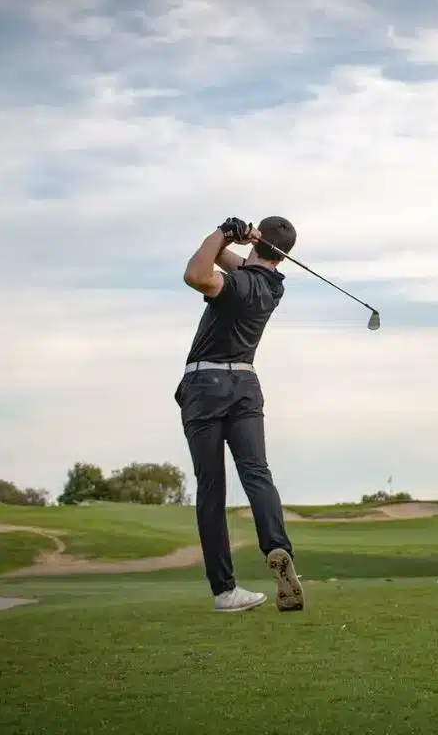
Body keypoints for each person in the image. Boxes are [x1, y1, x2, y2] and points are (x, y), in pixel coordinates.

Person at [176, 215, 305, 613]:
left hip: (206, 384)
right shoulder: (272, 285)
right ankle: (278, 547)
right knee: (257, 473)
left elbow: (196, 274)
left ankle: (225, 591)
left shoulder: (238, 284)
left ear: (259, 239)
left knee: (211, 489)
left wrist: (221, 231)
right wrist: (240, 239)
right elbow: (237, 263)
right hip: (246, 386)